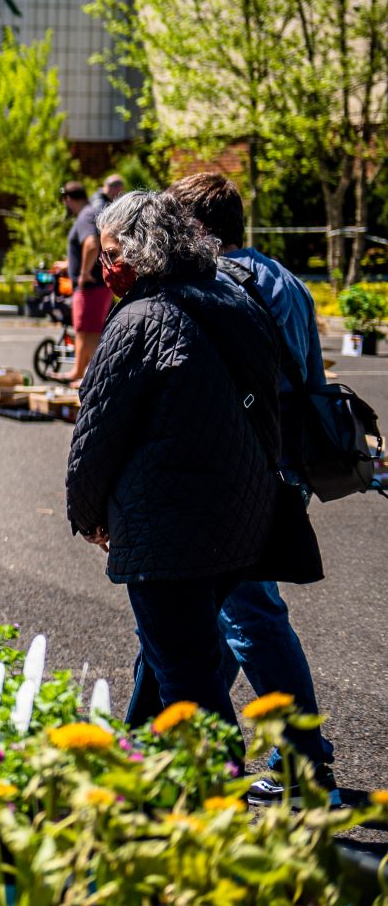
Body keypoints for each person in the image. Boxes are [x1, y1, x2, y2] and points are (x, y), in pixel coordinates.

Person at [66, 191, 282, 727]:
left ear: (141, 251)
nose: (107, 268)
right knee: (173, 660)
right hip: (239, 520)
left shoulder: (138, 317)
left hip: (170, 532)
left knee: (189, 685)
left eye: (113, 255)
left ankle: (219, 795)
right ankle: (136, 766)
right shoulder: (231, 295)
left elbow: (97, 434)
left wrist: (87, 515)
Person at [167, 172, 334, 799]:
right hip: (288, 459)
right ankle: (175, 739)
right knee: (211, 617)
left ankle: (304, 761)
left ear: (197, 230)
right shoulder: (285, 279)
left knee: (250, 616)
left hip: (241, 471)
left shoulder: (218, 284)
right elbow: (311, 375)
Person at [60, 181, 108, 385]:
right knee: (85, 329)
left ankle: (91, 376)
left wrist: (84, 273)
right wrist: (68, 264)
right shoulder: (89, 213)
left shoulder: (85, 215)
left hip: (90, 286)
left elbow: (91, 243)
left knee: (89, 331)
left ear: (68, 199)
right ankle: (82, 372)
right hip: (96, 286)